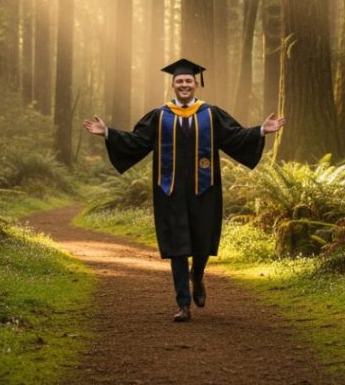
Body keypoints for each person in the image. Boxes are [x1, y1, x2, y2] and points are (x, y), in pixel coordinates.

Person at [83, 58, 285, 322]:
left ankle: (197, 277)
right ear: (173, 85)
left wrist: (260, 130)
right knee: (178, 248)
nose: (184, 85)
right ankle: (183, 304)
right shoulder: (160, 116)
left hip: (205, 190)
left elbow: (235, 137)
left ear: (196, 84)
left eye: (188, 81)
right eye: (180, 81)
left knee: (201, 245)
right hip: (170, 192)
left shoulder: (211, 114)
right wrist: (107, 132)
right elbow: (136, 141)